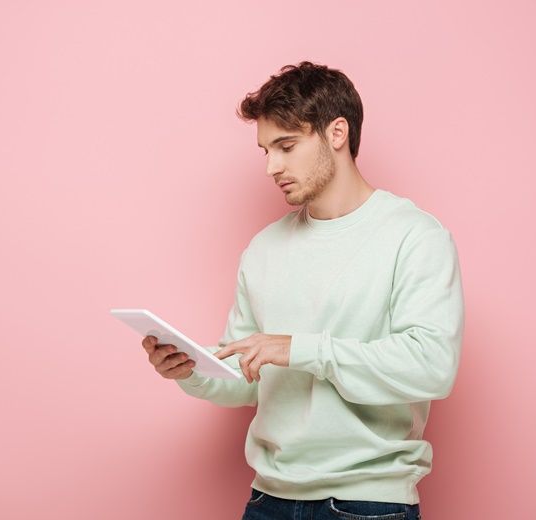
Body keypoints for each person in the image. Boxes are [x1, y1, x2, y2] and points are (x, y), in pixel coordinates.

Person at [141, 61, 464, 520]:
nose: (272, 166)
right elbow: (247, 378)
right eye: (265, 151)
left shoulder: (415, 237)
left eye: (286, 146)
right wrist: (190, 369)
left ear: (337, 133)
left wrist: (300, 349)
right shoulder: (264, 249)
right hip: (267, 499)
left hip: (368, 502)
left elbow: (432, 366)